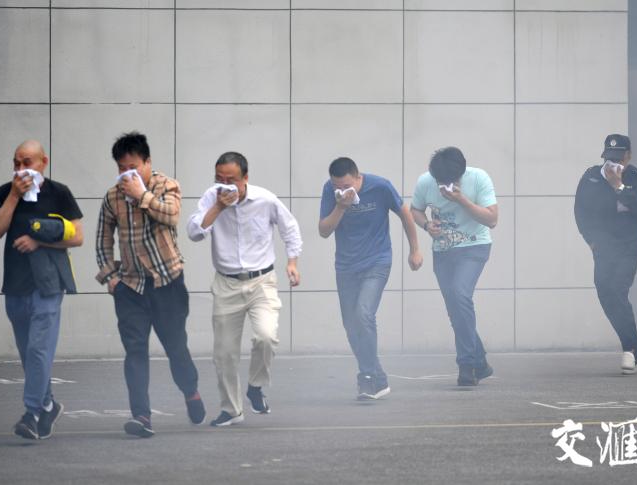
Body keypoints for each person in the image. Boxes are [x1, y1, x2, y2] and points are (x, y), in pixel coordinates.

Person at [95, 132, 205, 438]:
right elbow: (102, 242)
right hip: (130, 287)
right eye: (120, 168)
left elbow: (171, 216)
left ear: (147, 163)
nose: (126, 173)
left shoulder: (166, 185)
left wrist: (141, 194)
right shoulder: (112, 197)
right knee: (135, 350)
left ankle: (190, 390)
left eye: (132, 166)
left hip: (167, 282)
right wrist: (111, 278)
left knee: (176, 347)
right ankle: (141, 416)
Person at [187, 152, 302, 426]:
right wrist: (218, 207)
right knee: (224, 352)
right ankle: (231, 409)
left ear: (246, 178)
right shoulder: (211, 197)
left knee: (266, 336)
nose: (225, 185)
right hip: (226, 283)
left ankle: (256, 385)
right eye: (219, 179)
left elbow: (290, 228)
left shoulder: (265, 199)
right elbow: (194, 232)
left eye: (232, 180)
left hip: (262, 280)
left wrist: (293, 262)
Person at [0, 140, 83, 440]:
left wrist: (40, 241)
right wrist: (15, 197)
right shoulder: (6, 191)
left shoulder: (60, 193)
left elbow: (77, 237)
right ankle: (48, 402)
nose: (21, 169)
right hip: (16, 283)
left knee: (38, 349)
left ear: (43, 161)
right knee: (27, 352)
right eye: (16, 163)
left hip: (48, 283)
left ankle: (31, 413)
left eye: (27, 162)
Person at [319, 157, 422, 400]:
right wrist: (341, 206)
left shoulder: (380, 186)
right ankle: (378, 376)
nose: (341, 190)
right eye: (337, 186)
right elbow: (324, 231)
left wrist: (414, 249)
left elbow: (404, 213)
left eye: (346, 186)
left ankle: (366, 376)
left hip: (377, 260)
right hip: (345, 265)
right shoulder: (330, 190)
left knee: (364, 313)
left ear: (358, 177)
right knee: (351, 324)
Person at [410, 147, 498, 387]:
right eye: (441, 182)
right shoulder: (425, 181)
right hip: (443, 251)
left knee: (460, 295)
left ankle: (466, 365)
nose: (445, 186)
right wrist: (427, 226)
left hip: (474, 246)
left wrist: (462, 199)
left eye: (450, 182)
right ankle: (480, 362)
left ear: (461, 174)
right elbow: (415, 210)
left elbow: (492, 219)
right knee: (455, 308)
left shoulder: (479, 178)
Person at [574, 134, 637, 374]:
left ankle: (630, 348)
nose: (614, 163)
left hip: (629, 243)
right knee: (605, 292)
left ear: (628, 156)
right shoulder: (590, 177)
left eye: (619, 158)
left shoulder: (635, 176)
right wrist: (592, 241)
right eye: (610, 158)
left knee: (618, 289)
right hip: (603, 246)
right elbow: (580, 211)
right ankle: (636, 348)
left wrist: (619, 186)